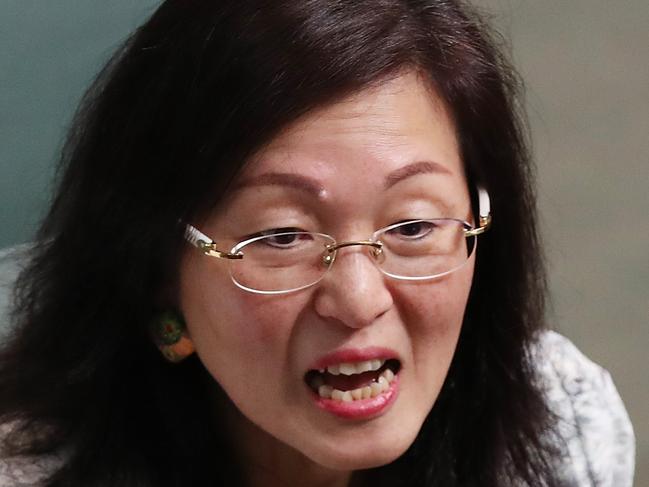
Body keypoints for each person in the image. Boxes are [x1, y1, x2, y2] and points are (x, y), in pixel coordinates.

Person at [0, 1, 635, 486]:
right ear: (158, 266)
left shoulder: (562, 428)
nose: (359, 301)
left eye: (413, 227)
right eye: (281, 236)